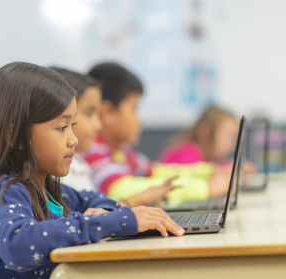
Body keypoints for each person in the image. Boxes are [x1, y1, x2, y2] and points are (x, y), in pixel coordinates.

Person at [0, 62, 184, 279]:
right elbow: (18, 245)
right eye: (61, 128)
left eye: (73, 125)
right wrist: (111, 222)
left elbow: (99, 199)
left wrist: (106, 215)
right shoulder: (4, 191)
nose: (73, 139)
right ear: (15, 135)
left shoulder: (53, 191)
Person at [85, 62, 231, 207]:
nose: (139, 119)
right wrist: (204, 188)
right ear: (108, 113)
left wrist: (211, 171)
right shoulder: (92, 149)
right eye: (134, 109)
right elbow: (120, 189)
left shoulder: (123, 153)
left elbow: (157, 171)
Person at [50, 67, 176, 207]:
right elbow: (88, 218)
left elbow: (92, 213)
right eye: (89, 113)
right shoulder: (91, 153)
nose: (98, 125)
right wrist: (139, 199)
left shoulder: (82, 164)